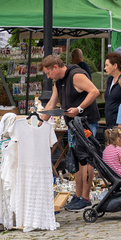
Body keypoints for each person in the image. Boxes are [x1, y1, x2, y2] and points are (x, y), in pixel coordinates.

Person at [40, 54, 101, 212]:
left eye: (48, 72)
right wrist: (39, 121)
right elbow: (52, 103)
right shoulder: (57, 82)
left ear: (56, 67)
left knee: (85, 160)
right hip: (73, 125)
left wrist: (79, 108)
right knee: (77, 159)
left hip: (86, 122)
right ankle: (79, 195)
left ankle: (85, 198)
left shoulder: (76, 75)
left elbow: (94, 92)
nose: (48, 76)